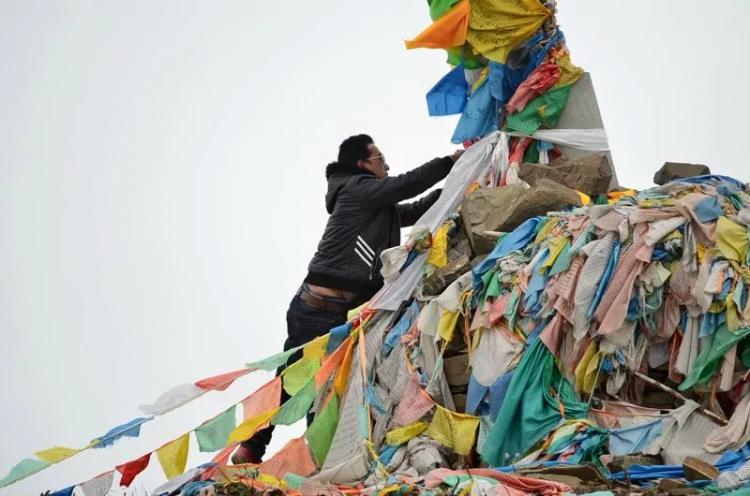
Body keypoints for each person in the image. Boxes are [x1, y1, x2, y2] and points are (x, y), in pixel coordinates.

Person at [232, 134, 463, 464]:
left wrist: (458, 182)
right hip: (314, 309)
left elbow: (412, 208)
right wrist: (448, 163)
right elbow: (406, 185)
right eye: (380, 158)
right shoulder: (357, 188)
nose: (387, 164)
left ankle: (317, 461)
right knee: (291, 384)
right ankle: (250, 449)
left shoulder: (376, 201)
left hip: (342, 313)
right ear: (363, 165)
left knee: (328, 392)